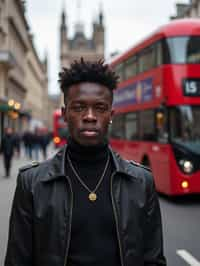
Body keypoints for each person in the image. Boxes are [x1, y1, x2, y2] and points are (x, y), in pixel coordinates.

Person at [5, 59, 167, 266]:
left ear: (111, 115)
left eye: (100, 108)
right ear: (65, 114)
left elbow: (153, 260)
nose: (90, 116)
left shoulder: (141, 182)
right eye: (79, 107)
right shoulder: (31, 183)